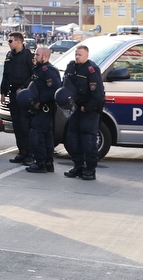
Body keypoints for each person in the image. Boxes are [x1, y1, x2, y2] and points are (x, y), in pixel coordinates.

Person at [62, 44, 105, 181]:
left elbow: (98, 95)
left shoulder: (91, 70)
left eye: (80, 55)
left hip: (88, 110)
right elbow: (65, 86)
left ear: (86, 56)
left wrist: (86, 108)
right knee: (74, 139)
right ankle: (78, 166)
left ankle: (90, 169)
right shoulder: (71, 67)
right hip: (75, 109)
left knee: (88, 140)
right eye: (76, 54)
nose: (77, 57)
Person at [0, 31, 35, 164]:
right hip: (13, 95)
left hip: (24, 96)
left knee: (25, 125)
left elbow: (33, 75)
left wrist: (23, 87)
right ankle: (22, 152)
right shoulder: (9, 55)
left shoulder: (28, 56)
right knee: (17, 125)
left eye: (10, 41)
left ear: (19, 41)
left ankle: (30, 154)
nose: (9, 43)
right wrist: (3, 92)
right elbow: (5, 74)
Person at [26, 46, 61, 173]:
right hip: (40, 108)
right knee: (46, 135)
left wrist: (39, 101)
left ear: (44, 57)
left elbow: (54, 90)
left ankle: (40, 162)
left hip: (45, 108)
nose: (35, 57)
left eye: (37, 55)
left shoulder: (48, 71)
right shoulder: (39, 70)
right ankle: (48, 162)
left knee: (37, 133)